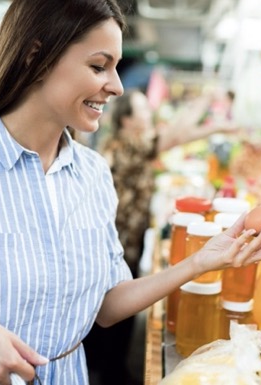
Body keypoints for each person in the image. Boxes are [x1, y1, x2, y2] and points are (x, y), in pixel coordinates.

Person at [0, 2, 261, 385]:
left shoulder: (93, 174)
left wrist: (202, 261)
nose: (115, 86)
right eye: (100, 66)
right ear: (36, 58)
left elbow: (107, 305)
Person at [84, 89, 238, 384]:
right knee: (113, 312)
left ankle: (109, 368)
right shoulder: (127, 146)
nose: (149, 115)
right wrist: (205, 100)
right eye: (142, 110)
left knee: (115, 311)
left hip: (124, 238)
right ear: (127, 120)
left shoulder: (126, 143)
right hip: (115, 241)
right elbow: (178, 134)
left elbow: (178, 135)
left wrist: (217, 126)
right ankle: (108, 372)